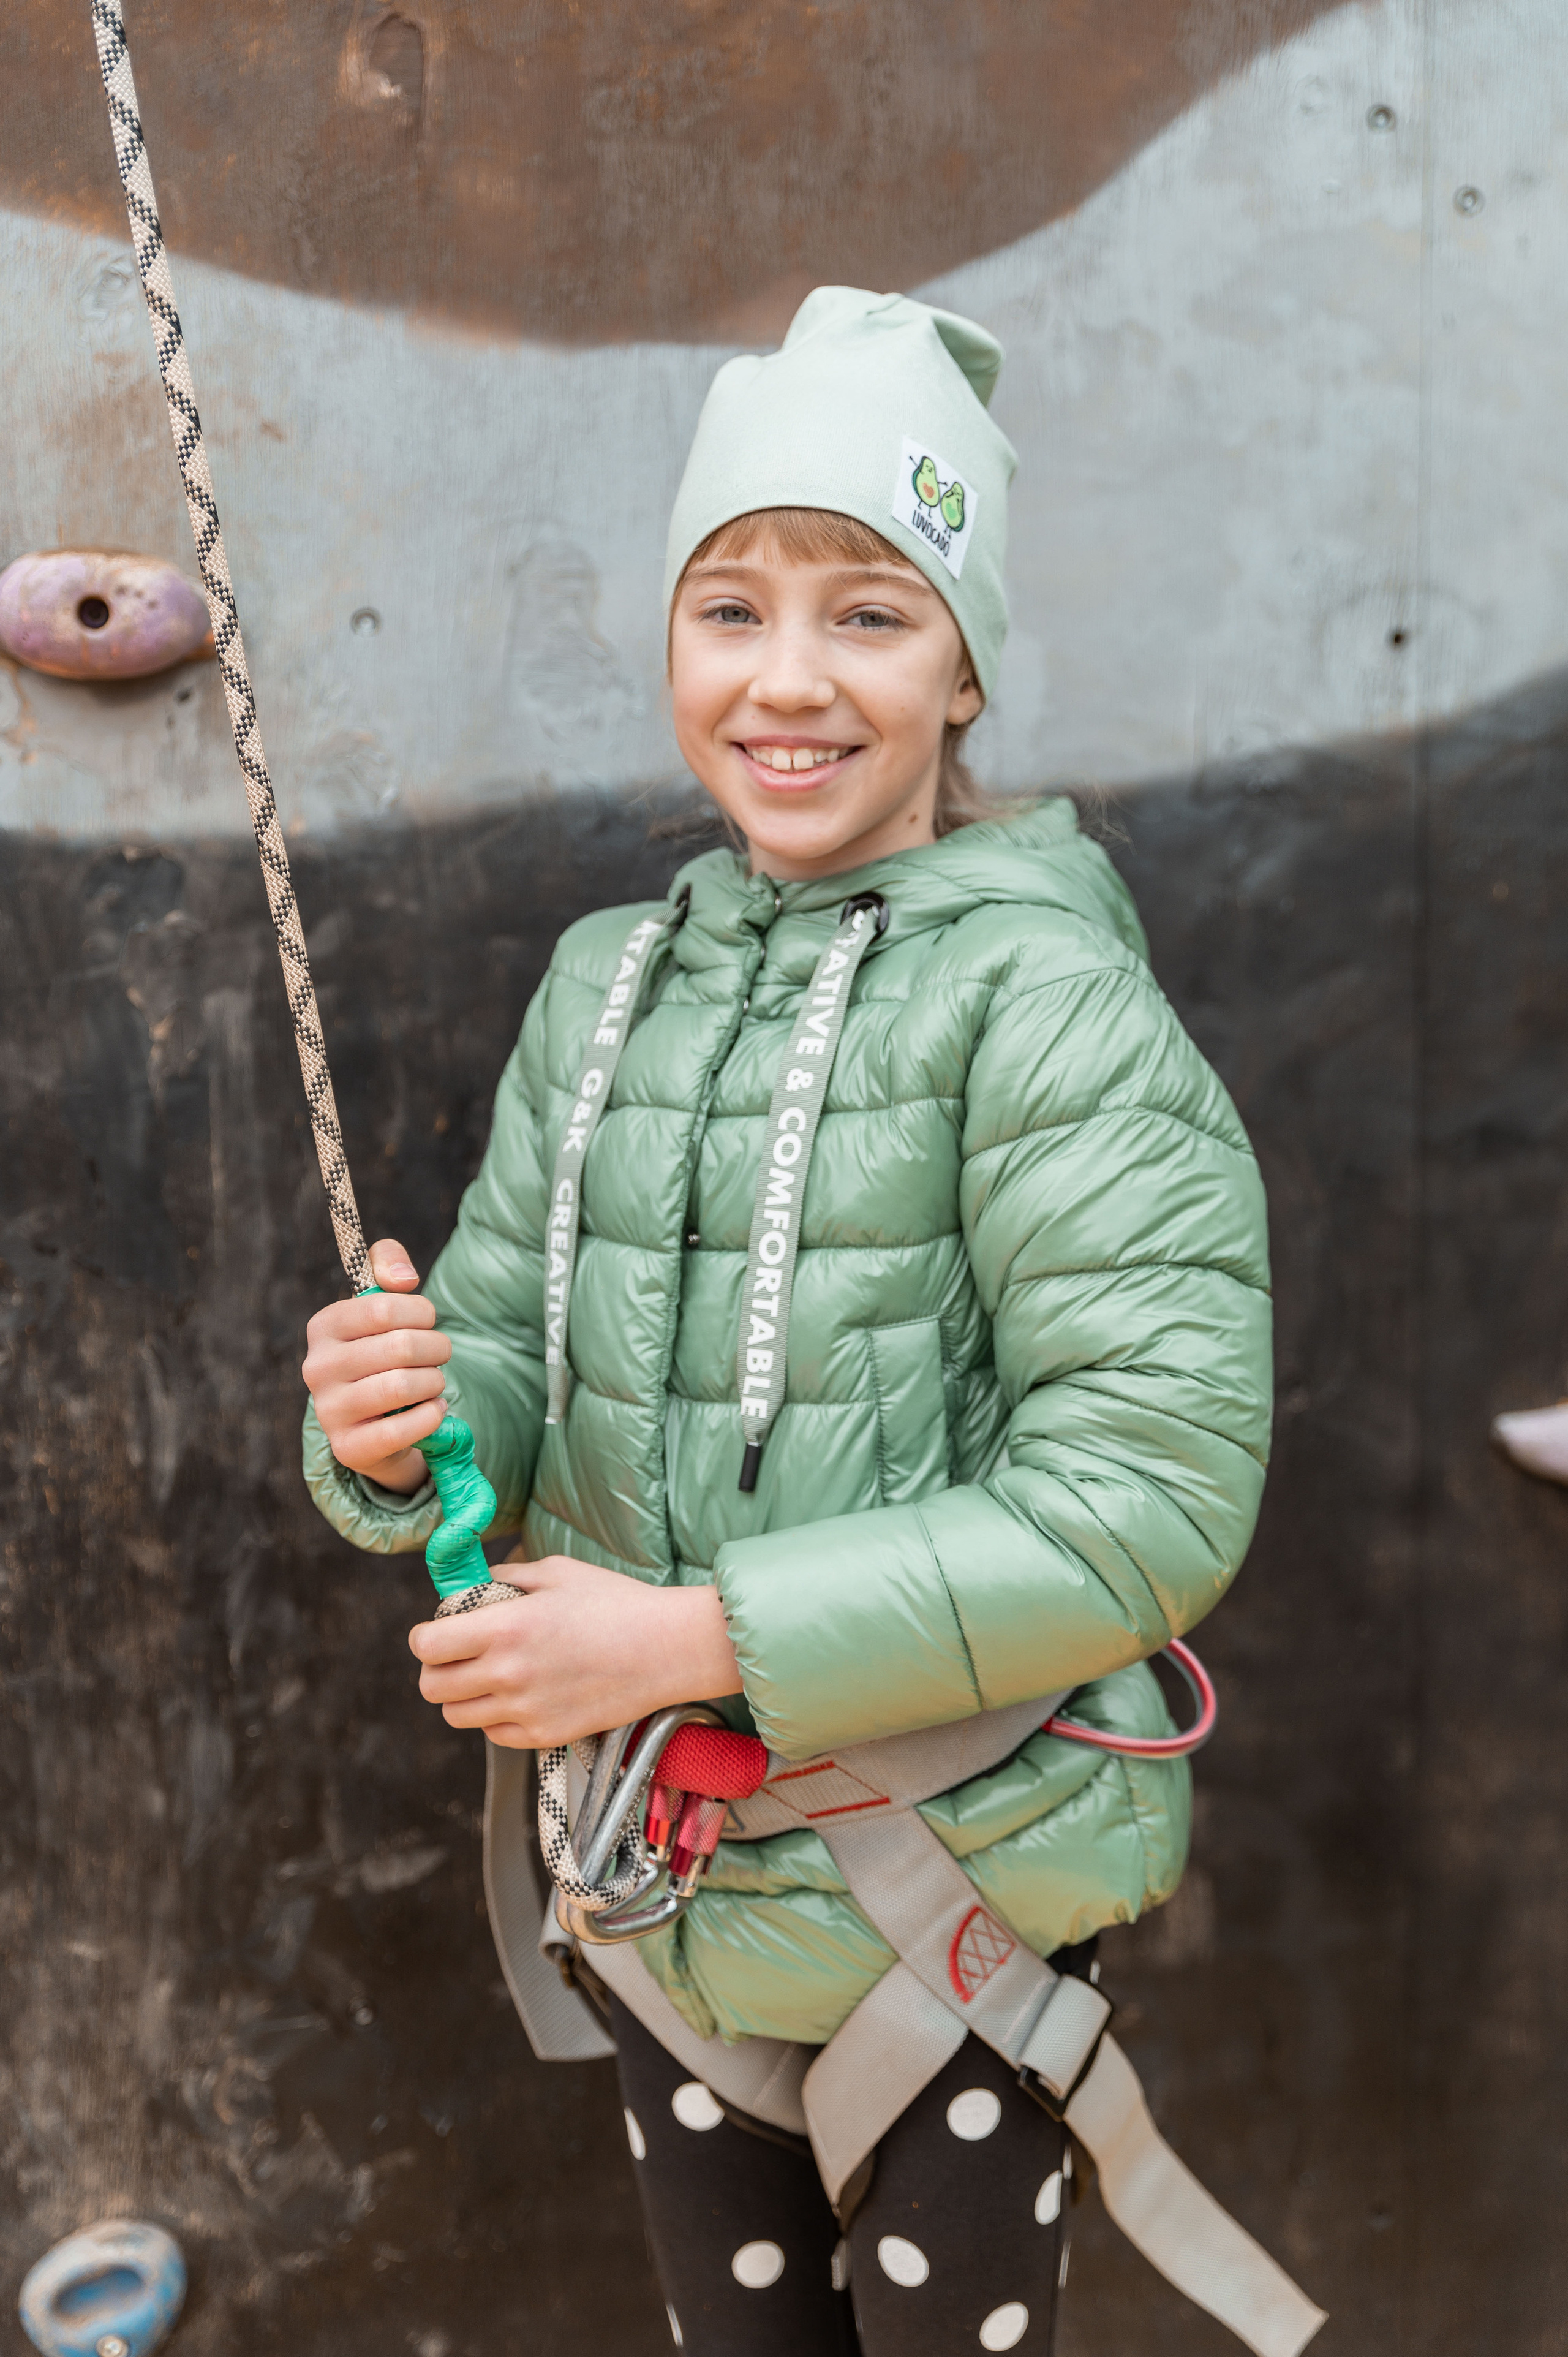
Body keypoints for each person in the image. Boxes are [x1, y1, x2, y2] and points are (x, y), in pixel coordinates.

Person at [299, 287, 1273, 2356]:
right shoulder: (602, 985)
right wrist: (410, 1414)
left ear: (968, 665)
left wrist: (681, 1639)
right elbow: (506, 1347)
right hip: (669, 1895)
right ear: (668, 643)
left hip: (959, 1897)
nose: (790, 681)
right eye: (729, 609)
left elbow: (1147, 1495)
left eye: (873, 613)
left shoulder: (1050, 1006)